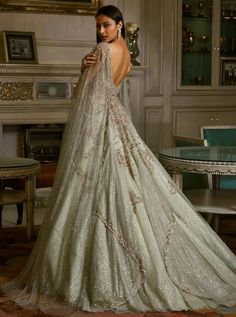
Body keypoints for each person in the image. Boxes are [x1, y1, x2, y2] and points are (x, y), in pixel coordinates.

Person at [1, 4, 236, 315]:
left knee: (97, 191)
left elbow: (86, 96)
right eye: (99, 26)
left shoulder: (102, 51)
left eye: (107, 25)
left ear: (120, 25)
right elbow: (110, 88)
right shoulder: (126, 51)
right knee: (128, 189)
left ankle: (102, 269)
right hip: (118, 124)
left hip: (100, 127)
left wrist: (81, 71)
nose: (101, 31)